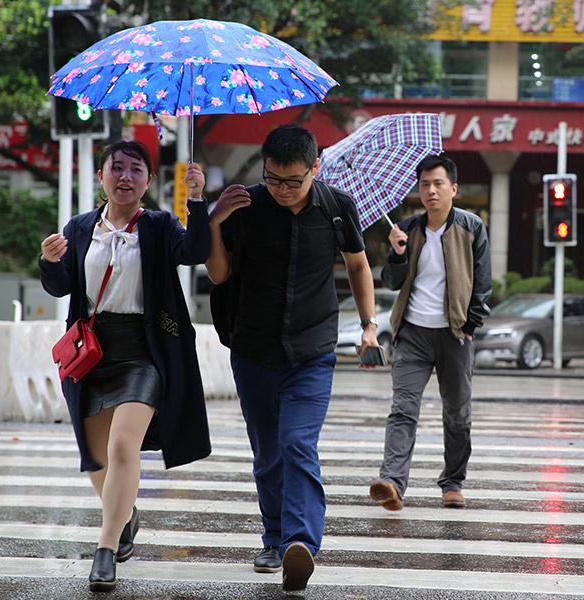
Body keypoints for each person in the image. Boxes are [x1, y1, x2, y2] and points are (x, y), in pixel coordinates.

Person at [205, 125, 380, 592]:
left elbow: (358, 264)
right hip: (254, 348)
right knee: (267, 453)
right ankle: (273, 536)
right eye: (273, 179)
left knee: (297, 443)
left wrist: (368, 326)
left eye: (292, 181)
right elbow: (219, 275)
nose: (281, 190)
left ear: (315, 169)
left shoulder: (337, 207)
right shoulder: (245, 205)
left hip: (312, 350)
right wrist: (214, 222)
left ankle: (300, 543)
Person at [39, 141, 213, 592]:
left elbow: (194, 251)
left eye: (136, 170)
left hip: (143, 352)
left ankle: (106, 549)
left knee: (121, 448)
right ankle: (126, 515)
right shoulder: (79, 229)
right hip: (91, 353)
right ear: (101, 176)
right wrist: (49, 260)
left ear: (148, 181)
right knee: (95, 457)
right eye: (116, 168)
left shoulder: (157, 225)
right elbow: (61, 288)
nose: (125, 177)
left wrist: (196, 199)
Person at [369, 154, 491, 512]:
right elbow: (391, 283)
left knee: (457, 414)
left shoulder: (472, 227)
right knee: (403, 409)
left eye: (438, 184)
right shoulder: (407, 229)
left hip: (455, 334)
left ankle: (452, 482)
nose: (431, 191)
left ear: (453, 188)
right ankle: (392, 481)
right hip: (413, 333)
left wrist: (470, 323)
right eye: (425, 185)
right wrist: (395, 253)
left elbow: (483, 280)